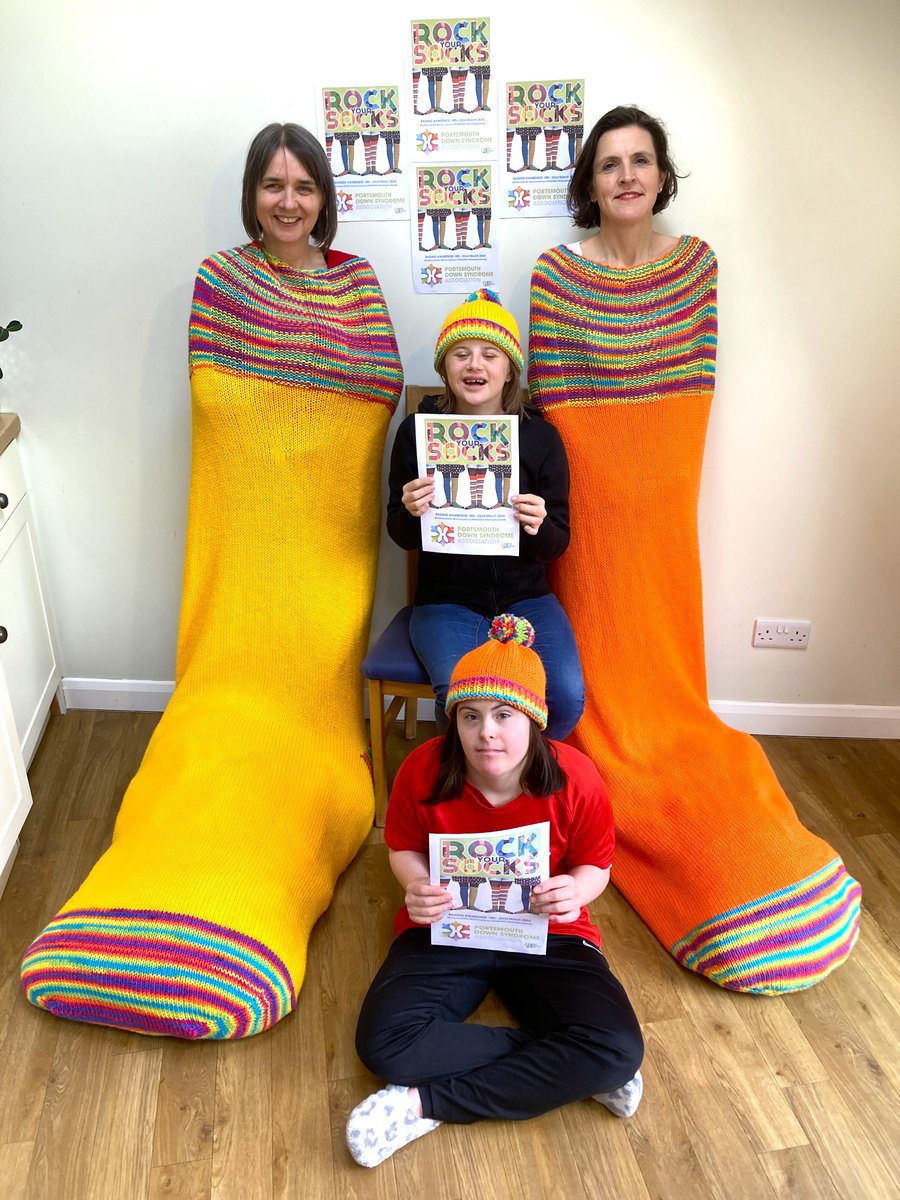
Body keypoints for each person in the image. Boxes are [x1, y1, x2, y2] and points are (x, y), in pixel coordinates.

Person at [21, 123, 405, 1038]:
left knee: (309, 740)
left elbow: (375, 395)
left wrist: (306, 425)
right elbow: (223, 408)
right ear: (251, 193)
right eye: (271, 184)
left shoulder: (357, 283)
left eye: (303, 184)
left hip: (325, 556)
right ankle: (143, 892)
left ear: (324, 195)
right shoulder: (221, 284)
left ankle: (280, 853)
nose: (287, 201)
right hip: (243, 560)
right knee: (214, 724)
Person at [527, 105, 861, 994]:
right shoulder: (554, 274)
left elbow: (694, 378)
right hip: (589, 492)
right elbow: (553, 403)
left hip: (668, 480)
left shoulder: (695, 266)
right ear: (589, 183)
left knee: (671, 679)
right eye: (609, 164)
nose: (626, 176)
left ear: (661, 176)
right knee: (600, 664)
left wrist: (659, 469)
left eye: (640, 161)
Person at [346, 615, 643, 1168]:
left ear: (534, 720)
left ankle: (421, 1104)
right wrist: (415, 884)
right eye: (470, 716)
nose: (487, 732)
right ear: (453, 721)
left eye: (505, 715)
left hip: (550, 934)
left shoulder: (575, 776)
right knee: (383, 1044)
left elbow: (596, 865)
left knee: (620, 1049)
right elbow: (403, 847)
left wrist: (573, 891)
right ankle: (573, 1066)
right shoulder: (422, 768)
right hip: (447, 928)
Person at [387, 288, 585, 741]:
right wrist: (413, 511)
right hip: (445, 600)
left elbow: (559, 542)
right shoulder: (416, 434)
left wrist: (536, 525)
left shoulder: (541, 438)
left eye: (489, 355)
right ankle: (468, 795)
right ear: (444, 367)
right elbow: (397, 531)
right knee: (461, 697)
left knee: (566, 696)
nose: (475, 365)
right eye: (461, 354)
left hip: (527, 597)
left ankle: (525, 781)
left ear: (509, 368)